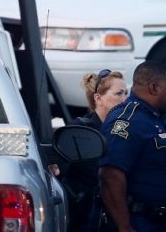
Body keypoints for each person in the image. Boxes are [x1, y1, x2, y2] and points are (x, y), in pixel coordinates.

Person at [99, 61, 166, 232]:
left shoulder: (160, 118)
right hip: (143, 223)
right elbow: (110, 176)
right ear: (154, 88)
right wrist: (124, 226)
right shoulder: (127, 121)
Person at [64, 69, 128, 232]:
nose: (125, 99)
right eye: (119, 94)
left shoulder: (124, 130)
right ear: (98, 98)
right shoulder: (80, 131)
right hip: (86, 217)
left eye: (126, 93)